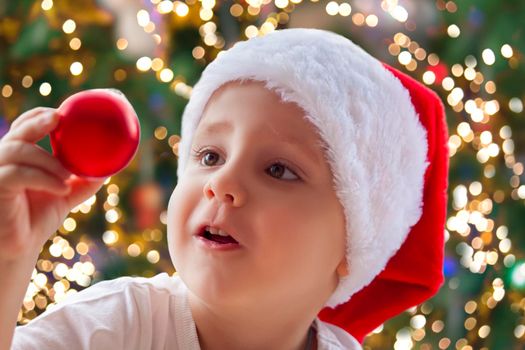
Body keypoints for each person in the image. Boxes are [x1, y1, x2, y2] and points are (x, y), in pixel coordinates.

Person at [0, 28, 449, 350]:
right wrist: (9, 258)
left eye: (278, 169)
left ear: (356, 242)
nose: (222, 183)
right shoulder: (114, 326)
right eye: (210, 156)